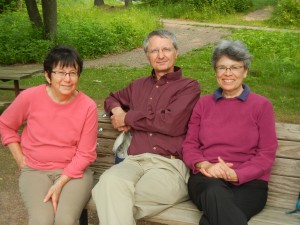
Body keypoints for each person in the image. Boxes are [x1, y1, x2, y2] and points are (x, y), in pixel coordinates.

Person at [92, 29, 200, 225]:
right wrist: (117, 112)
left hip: (169, 166)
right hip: (133, 161)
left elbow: (170, 123)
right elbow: (112, 98)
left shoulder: (189, 87)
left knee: (110, 197)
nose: (161, 56)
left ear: (176, 52)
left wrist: (129, 117)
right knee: (108, 182)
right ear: (147, 56)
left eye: (166, 49)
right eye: (154, 51)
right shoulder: (138, 85)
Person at [182, 39, 278, 225]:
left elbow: (266, 154)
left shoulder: (261, 106)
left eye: (234, 67)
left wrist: (237, 174)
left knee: (209, 221)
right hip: (207, 179)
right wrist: (206, 166)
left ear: (245, 71)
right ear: (216, 71)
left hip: (250, 183)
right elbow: (189, 145)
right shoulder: (203, 104)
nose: (228, 73)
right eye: (222, 67)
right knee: (213, 193)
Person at [0, 45, 98, 225]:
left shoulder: (88, 106)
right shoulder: (30, 97)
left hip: (74, 173)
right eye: (61, 72)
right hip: (35, 171)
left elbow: (86, 154)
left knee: (65, 220)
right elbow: (5, 124)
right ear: (47, 75)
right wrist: (20, 158)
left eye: (73, 73)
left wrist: (59, 183)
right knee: (41, 220)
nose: (67, 79)